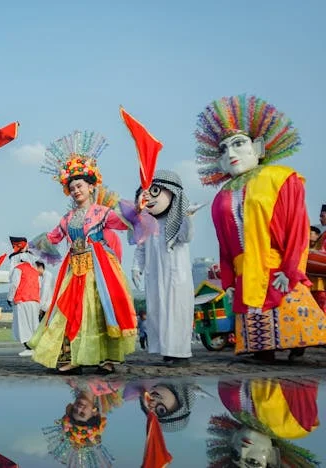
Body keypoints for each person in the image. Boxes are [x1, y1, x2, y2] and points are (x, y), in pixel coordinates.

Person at [195, 95, 326, 361]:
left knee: (291, 320)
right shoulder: (222, 196)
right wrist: (229, 280)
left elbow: (297, 229)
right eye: (223, 149)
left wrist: (290, 268)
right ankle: (263, 348)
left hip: (276, 266)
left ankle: (296, 346)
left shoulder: (281, 179)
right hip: (245, 272)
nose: (231, 153)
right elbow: (224, 244)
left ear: (258, 147)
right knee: (259, 338)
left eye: (238, 144)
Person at [29, 130, 156, 375]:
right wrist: (31, 246)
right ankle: (74, 356)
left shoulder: (102, 212)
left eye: (80, 186)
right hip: (74, 269)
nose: (76, 190)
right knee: (70, 310)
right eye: (72, 187)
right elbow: (53, 237)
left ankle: (106, 358)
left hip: (100, 269)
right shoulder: (67, 218)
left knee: (100, 310)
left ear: (90, 186)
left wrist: (138, 210)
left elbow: (124, 222)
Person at [131, 170, 196, 367]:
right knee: (158, 312)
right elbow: (141, 247)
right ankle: (167, 351)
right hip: (154, 276)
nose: (150, 198)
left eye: (155, 191)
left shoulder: (176, 220)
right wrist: (136, 267)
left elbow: (186, 237)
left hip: (176, 276)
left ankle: (180, 353)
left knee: (176, 312)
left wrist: (187, 217)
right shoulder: (148, 223)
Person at [7, 236, 41, 357]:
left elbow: (14, 285)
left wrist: (9, 298)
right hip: (35, 301)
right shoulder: (35, 271)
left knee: (23, 325)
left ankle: (28, 347)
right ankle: (35, 346)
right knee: (34, 325)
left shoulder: (18, 269)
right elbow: (39, 286)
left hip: (22, 301)